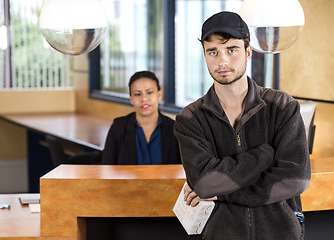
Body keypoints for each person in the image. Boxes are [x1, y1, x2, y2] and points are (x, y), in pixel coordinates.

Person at [174, 11, 311, 240]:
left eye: (231, 50)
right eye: (213, 52)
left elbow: (295, 179)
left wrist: (224, 194)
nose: (222, 61)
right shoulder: (190, 118)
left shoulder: (282, 106)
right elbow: (206, 184)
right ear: (205, 55)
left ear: (248, 52)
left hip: (280, 233)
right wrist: (264, 155)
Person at [102, 70, 181, 165]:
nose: (144, 99)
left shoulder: (175, 129)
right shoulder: (118, 127)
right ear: (131, 99)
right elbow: (107, 168)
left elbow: (184, 171)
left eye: (149, 92)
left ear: (159, 95)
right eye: (137, 94)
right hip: (126, 180)